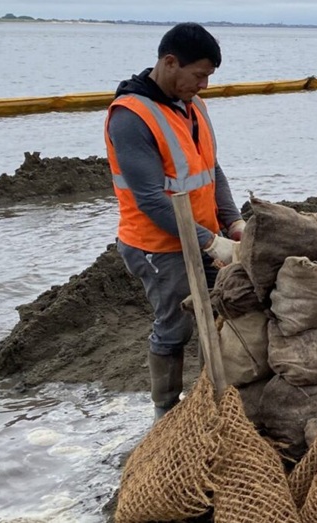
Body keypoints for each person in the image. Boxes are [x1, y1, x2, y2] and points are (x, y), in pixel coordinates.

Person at [105, 22, 244, 420]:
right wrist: (211, 243)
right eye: (199, 75)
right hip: (156, 244)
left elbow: (210, 170)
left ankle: (215, 394)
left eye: (209, 77)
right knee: (176, 323)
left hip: (199, 235)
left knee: (224, 308)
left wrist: (232, 223)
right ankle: (164, 411)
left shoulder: (193, 105)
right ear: (170, 63)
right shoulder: (130, 118)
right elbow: (151, 200)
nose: (204, 85)